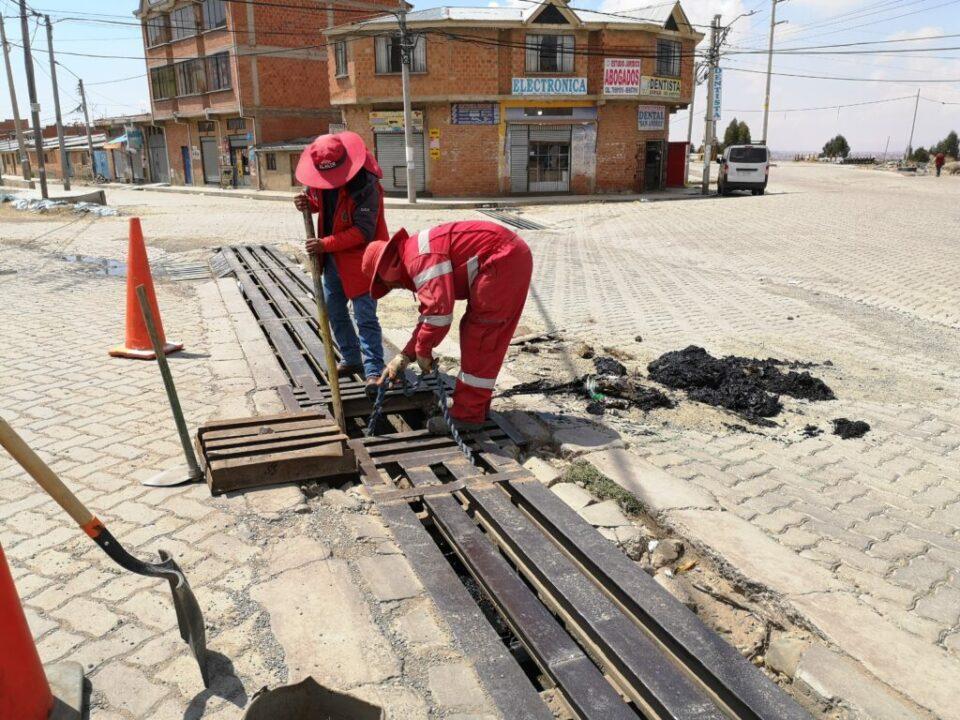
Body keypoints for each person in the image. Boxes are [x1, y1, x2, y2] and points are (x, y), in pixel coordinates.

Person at [361, 221, 533, 435]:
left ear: (387, 269)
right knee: (478, 335)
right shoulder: (413, 254)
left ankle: (468, 415)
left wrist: (423, 350)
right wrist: (404, 356)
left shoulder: (418, 260)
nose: (390, 288)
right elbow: (429, 314)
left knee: (481, 337)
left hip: (502, 258)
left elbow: (439, 314)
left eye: (385, 284)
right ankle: (476, 407)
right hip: (505, 256)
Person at [294, 131, 387, 391]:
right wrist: (307, 204)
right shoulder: (322, 179)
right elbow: (325, 205)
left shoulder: (366, 186)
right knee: (333, 309)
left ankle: (374, 370)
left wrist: (324, 244)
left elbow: (362, 232)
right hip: (333, 260)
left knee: (364, 316)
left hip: (362, 261)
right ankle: (351, 358)